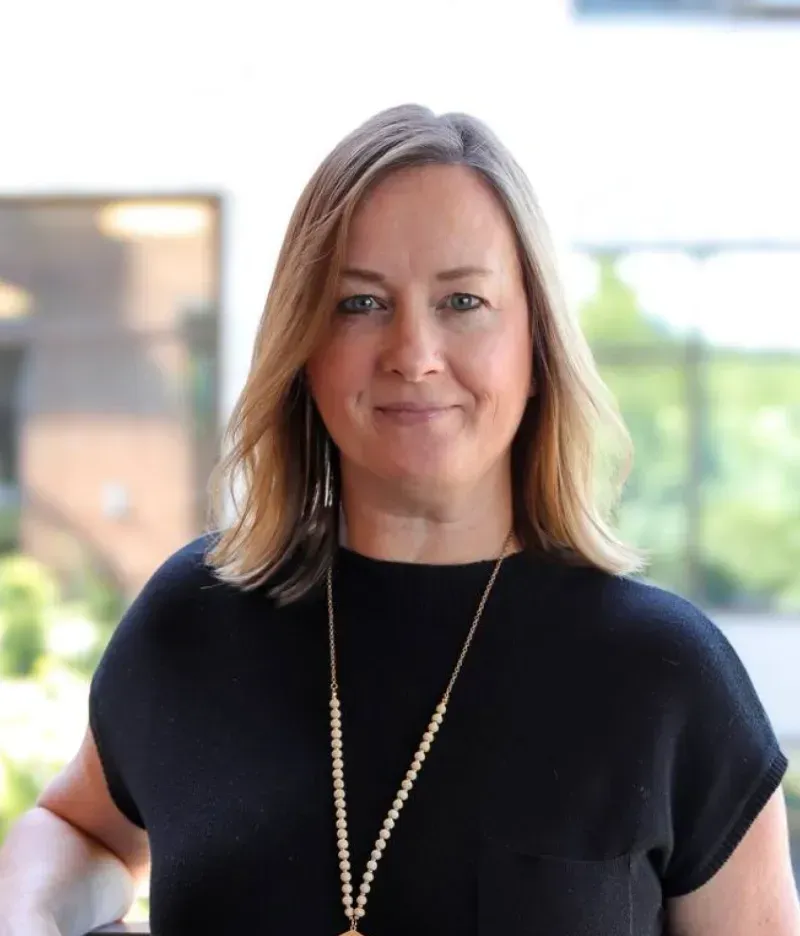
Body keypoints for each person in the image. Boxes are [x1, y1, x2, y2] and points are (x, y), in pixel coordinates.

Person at [0, 104, 798, 936]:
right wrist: (27, 919)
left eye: (462, 300)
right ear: (304, 350)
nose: (413, 353)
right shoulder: (193, 623)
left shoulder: (667, 677)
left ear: (537, 350)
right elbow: (75, 829)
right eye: (359, 303)